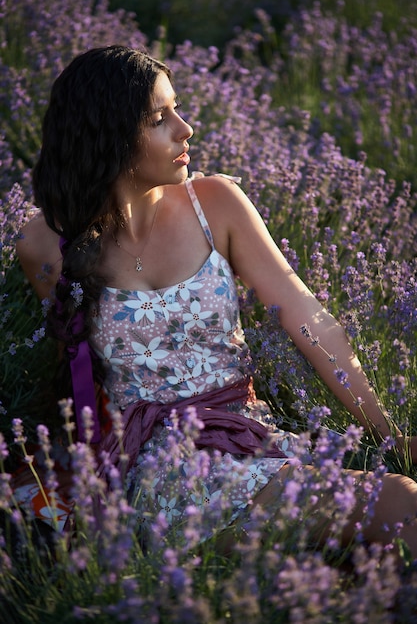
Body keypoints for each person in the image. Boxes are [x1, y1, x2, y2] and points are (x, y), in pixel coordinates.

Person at [16, 45, 417, 558]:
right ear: (108, 137)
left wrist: (389, 434)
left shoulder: (216, 204)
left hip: (249, 435)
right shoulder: (45, 246)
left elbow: (307, 316)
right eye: (160, 118)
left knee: (383, 529)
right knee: (400, 506)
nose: (185, 129)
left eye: (178, 109)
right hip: (156, 468)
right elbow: (78, 380)